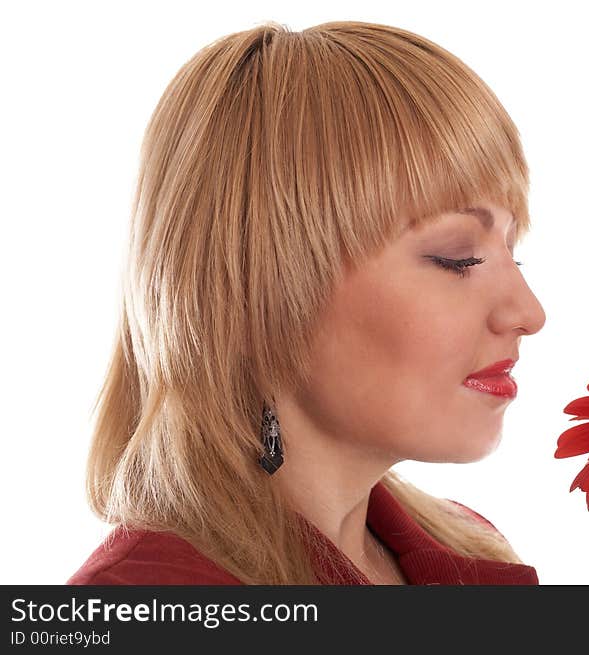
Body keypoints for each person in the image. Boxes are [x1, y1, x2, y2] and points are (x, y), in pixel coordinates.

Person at [68, 19, 545, 586]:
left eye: (514, 253)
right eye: (457, 256)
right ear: (260, 284)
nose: (528, 312)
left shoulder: (475, 554)